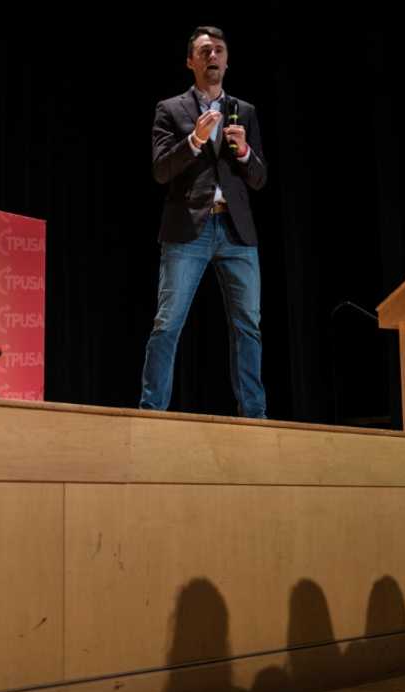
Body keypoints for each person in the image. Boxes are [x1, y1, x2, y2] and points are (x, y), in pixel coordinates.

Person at [139, 25, 269, 418]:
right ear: (190, 62)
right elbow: (161, 170)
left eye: (219, 50)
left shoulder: (245, 111)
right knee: (167, 323)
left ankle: (255, 416)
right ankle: (152, 412)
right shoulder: (170, 109)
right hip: (187, 230)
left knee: (248, 326)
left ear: (227, 62)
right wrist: (194, 141)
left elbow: (259, 178)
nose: (213, 56)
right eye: (205, 50)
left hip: (236, 231)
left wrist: (244, 152)